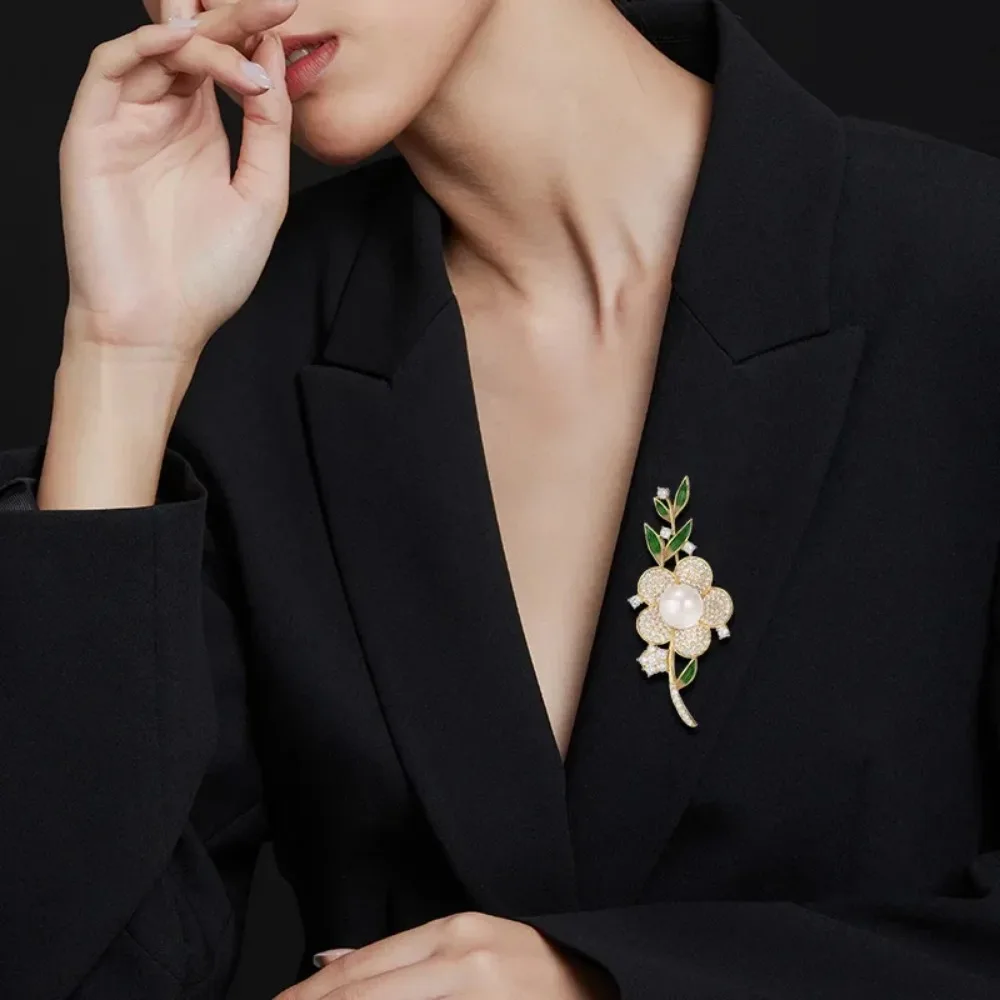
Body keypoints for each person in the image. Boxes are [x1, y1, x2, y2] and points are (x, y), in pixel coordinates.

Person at [2, 0, 999, 996]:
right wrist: (118, 360)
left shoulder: (961, 275)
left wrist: (597, 982)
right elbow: (86, 970)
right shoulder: (240, 356)